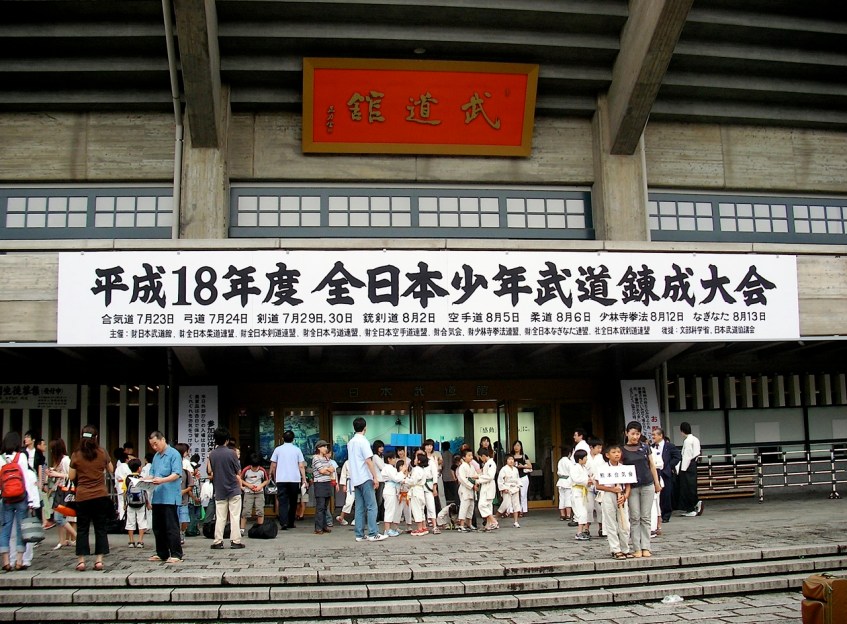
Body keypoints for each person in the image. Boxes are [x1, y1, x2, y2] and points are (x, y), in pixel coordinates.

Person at [68, 425, 114, 572]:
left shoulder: (76, 454)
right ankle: (99, 560)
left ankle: (81, 561)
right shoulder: (102, 452)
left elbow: (71, 476)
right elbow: (111, 469)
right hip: (100, 495)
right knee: (100, 528)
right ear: (96, 438)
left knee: (82, 529)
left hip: (82, 496)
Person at [622, 421, 662, 558]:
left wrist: (656, 482)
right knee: (634, 517)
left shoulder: (645, 447)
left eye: (637, 434)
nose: (635, 436)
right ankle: (636, 547)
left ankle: (646, 546)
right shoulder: (622, 450)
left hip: (647, 484)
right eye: (632, 433)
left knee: (645, 517)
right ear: (626, 433)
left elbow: (652, 465)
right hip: (632, 487)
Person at [1, 432, 40, 571]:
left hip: (6, 499)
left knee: (5, 529)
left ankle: (6, 561)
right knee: (20, 529)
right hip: (21, 497)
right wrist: (30, 501)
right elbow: (26, 480)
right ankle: (19, 561)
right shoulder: (21, 457)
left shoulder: (0, 458)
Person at [146, 430, 184, 564]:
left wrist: (162, 480)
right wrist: (143, 480)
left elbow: (177, 474)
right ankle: (161, 552)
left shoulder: (174, 454)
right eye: (152, 445)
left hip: (170, 496)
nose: (155, 447)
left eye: (156, 444)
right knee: (158, 527)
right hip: (157, 496)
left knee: (171, 526)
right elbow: (152, 474)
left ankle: (176, 553)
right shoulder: (156, 456)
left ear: (162, 440)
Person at [346, 418, 386, 542]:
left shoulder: (351, 442)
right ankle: (373, 533)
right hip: (365, 477)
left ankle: (359, 534)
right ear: (365, 428)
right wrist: (375, 477)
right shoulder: (363, 441)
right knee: (372, 506)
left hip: (355, 478)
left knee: (359, 507)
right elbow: (368, 461)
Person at [207, 427, 244, 549]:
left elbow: (211, 470)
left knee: (220, 516)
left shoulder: (212, 454)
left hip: (219, 488)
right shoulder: (232, 453)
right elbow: (237, 470)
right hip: (233, 488)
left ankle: (218, 541)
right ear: (227, 440)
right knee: (234, 516)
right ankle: (235, 541)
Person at [595, 443, 632, 559]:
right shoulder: (603, 468)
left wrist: (625, 495)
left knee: (624, 523)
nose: (617, 454)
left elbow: (628, 485)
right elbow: (598, 486)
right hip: (608, 495)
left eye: (618, 452)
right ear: (607, 455)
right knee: (611, 522)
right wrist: (611, 489)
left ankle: (625, 548)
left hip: (621, 495)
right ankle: (615, 549)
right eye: (614, 452)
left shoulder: (623, 468)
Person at [269, 430, 307, 530]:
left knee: (283, 501)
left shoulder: (278, 449)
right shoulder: (297, 450)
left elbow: (273, 464)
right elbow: (301, 466)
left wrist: (271, 475)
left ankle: (283, 522)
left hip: (281, 479)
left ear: (282, 438)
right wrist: (304, 479)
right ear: (293, 439)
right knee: (293, 501)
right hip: (294, 479)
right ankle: (291, 522)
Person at [46, 438, 77, 550]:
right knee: (59, 517)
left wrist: (56, 474)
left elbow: (70, 475)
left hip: (65, 491)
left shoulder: (65, 460)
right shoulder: (61, 461)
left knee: (59, 517)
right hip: (60, 490)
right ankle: (62, 540)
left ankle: (75, 536)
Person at [651, 427, 681, 523]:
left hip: (666, 473)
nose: (653, 437)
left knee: (666, 494)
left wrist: (668, 466)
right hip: (655, 472)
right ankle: (658, 514)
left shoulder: (669, 446)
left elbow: (677, 457)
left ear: (661, 436)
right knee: (657, 495)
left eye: (654, 435)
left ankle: (666, 515)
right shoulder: (651, 447)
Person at [678, 422, 704, 517]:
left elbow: (687, 456)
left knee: (688, 487)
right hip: (693, 464)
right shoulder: (695, 439)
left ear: (682, 430)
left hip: (688, 465)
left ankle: (693, 507)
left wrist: (682, 469)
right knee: (692, 486)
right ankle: (694, 505)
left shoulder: (687, 441)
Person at [123, 457, 149, 548]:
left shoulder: (127, 479)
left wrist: (124, 504)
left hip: (130, 504)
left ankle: (131, 541)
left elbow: (125, 492)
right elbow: (145, 492)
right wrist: (148, 503)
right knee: (141, 521)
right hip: (141, 504)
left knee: (130, 521)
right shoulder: (141, 478)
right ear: (139, 468)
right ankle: (140, 541)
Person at [240, 453, 269, 534]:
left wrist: (260, 486)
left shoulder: (262, 470)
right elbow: (240, 479)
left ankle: (260, 528)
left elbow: (266, 480)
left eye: (256, 467)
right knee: (246, 511)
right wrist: (248, 485)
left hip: (259, 492)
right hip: (248, 492)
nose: (255, 468)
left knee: (260, 510)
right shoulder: (246, 469)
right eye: (253, 466)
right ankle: (242, 529)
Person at [380, 452, 406, 537]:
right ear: (389, 459)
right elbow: (396, 478)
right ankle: (387, 530)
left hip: (393, 491)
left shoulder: (391, 468)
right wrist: (402, 471)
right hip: (389, 491)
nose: (395, 460)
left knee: (393, 510)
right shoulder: (388, 468)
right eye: (394, 458)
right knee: (389, 510)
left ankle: (390, 528)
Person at [312, 440, 334, 535]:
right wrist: (328, 470)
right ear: (319, 448)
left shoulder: (326, 459)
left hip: (327, 483)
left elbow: (332, 469)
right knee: (320, 507)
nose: (326, 448)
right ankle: (318, 527)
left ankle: (324, 526)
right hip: (320, 483)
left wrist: (328, 470)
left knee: (325, 506)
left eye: (326, 446)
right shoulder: (316, 458)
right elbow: (321, 471)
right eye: (324, 446)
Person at [570, 449, 591, 541]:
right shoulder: (575, 468)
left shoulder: (583, 468)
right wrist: (587, 481)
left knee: (584, 511)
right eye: (585, 457)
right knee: (581, 512)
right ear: (580, 459)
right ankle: (579, 532)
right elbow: (576, 479)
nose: (586, 459)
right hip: (577, 492)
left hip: (582, 492)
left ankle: (581, 531)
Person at [407, 452, 429, 537]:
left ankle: (420, 528)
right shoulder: (422, 470)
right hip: (420, 490)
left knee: (416, 509)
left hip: (416, 490)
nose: (414, 460)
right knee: (421, 509)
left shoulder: (416, 469)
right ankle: (423, 526)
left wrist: (406, 480)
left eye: (416, 459)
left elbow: (413, 481)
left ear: (419, 461)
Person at [476, 446, 498, 531]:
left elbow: (490, 476)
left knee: (482, 505)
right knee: (488, 506)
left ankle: (493, 521)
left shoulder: (491, 463)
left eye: (481, 457)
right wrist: (478, 476)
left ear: (483, 456)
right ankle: (488, 525)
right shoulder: (487, 464)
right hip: (486, 486)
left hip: (488, 485)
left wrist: (478, 480)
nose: (481, 459)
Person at [497, 453, 521, 528]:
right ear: (506, 461)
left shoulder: (515, 469)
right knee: (505, 504)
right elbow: (500, 480)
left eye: (512, 459)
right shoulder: (504, 469)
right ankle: (495, 519)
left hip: (515, 488)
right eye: (509, 459)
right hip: (507, 487)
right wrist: (503, 488)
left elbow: (518, 479)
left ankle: (516, 521)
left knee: (516, 504)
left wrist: (518, 485)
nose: (511, 461)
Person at [455, 448, 477, 532]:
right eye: (469, 455)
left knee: (471, 506)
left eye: (471, 455)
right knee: (464, 506)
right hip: (465, 488)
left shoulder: (472, 467)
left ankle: (469, 523)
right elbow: (462, 479)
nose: (471, 457)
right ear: (464, 457)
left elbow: (475, 476)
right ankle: (461, 524)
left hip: (471, 489)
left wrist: (475, 483)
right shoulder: (462, 467)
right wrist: (471, 485)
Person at [556, 445, 575, 525]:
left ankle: (562, 515)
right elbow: (572, 471)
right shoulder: (568, 462)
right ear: (570, 453)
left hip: (561, 481)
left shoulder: (560, 461)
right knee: (568, 498)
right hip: (567, 481)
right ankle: (568, 515)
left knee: (562, 498)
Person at [512, 440, 532, 516]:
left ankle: (523, 510)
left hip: (523, 477)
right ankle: (516, 510)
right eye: (515, 445)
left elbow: (530, 466)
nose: (516, 447)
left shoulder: (524, 456)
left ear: (521, 447)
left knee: (523, 494)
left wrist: (522, 466)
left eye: (518, 445)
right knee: (515, 494)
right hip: (514, 478)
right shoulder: (511, 456)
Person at [335, 459, 354, 526]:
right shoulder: (347, 462)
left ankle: (357, 519)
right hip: (350, 483)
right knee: (348, 502)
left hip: (360, 483)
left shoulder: (361, 460)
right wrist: (344, 485)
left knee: (360, 503)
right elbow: (343, 474)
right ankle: (341, 517)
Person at [372, 440, 386, 522]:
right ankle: (376, 518)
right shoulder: (375, 457)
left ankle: (381, 516)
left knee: (382, 500)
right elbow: (382, 467)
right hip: (378, 480)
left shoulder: (381, 456)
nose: (382, 448)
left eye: (382, 447)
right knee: (378, 500)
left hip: (383, 480)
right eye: (380, 447)